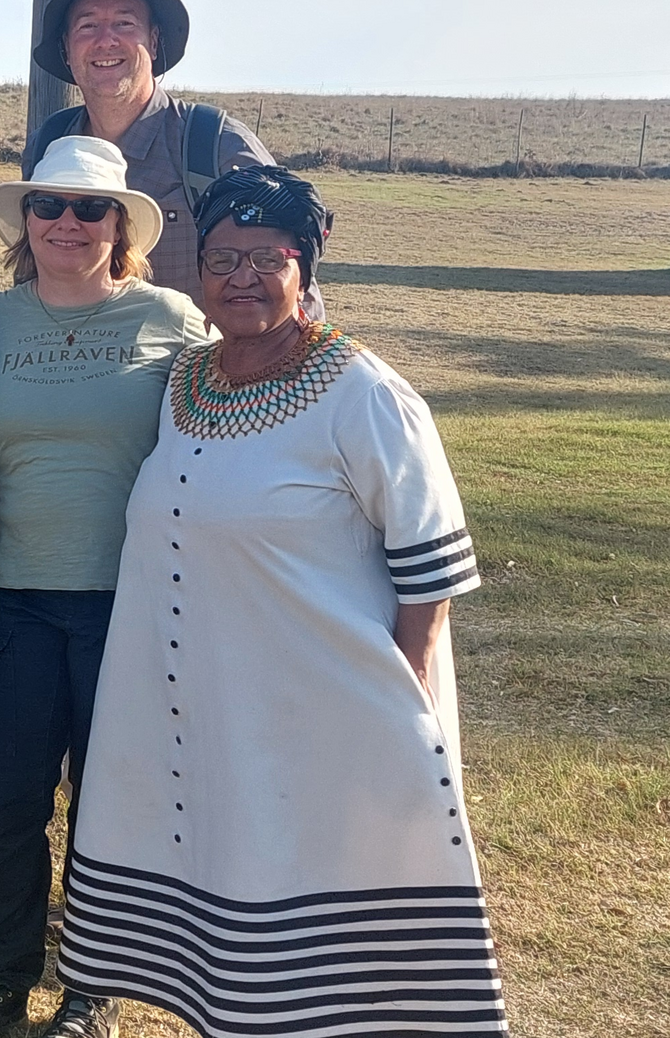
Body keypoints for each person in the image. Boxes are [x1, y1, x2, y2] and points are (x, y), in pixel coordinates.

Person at [58, 167, 505, 1037]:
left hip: (326, 702)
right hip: (214, 691)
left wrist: (408, 694)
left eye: (268, 258)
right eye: (223, 258)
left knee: (321, 894)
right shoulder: (187, 383)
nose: (243, 278)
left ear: (306, 267)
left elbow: (430, 565)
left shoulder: (366, 393)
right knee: (233, 871)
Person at [0, 137, 206, 1038]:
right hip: (13, 600)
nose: (68, 223)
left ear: (121, 226)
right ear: (26, 222)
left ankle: (93, 986)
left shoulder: (171, 317)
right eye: (50, 206)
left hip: (134, 605)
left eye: (91, 209)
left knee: (110, 808)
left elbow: (229, 428)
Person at [25, 0, 277, 298]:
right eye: (88, 26)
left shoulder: (219, 146)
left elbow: (286, 287)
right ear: (66, 51)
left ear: (154, 42)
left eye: (124, 24)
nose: (106, 40)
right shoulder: (47, 146)